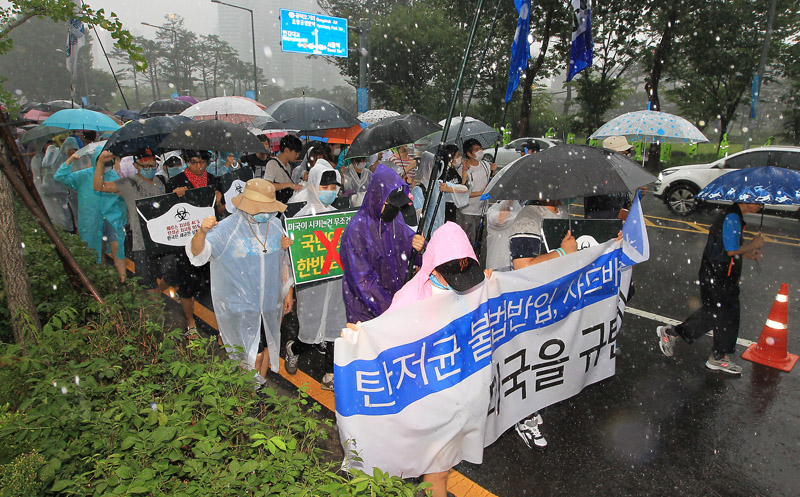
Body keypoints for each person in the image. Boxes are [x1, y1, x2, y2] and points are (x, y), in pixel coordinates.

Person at [383, 221, 489, 497]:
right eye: (450, 275)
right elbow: (383, 338)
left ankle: (430, 489)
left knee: (442, 464)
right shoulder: (411, 297)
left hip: (456, 392)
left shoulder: (475, 288)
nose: (459, 283)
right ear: (433, 266)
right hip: (427, 396)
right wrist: (361, 337)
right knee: (438, 469)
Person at [187, 179, 293, 384]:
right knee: (250, 355)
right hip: (240, 305)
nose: (266, 213)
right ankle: (248, 393)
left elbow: (283, 261)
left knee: (264, 349)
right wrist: (201, 232)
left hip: (269, 303)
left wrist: (287, 291)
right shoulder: (228, 229)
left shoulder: (275, 224)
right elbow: (198, 254)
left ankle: (258, 388)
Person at [656, 202, 764, 375]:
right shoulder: (731, 217)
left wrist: (750, 254)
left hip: (721, 274)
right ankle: (714, 355)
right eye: (757, 201)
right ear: (745, 201)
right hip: (717, 275)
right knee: (720, 315)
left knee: (720, 314)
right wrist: (754, 244)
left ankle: (710, 352)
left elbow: (727, 248)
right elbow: (730, 250)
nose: (760, 204)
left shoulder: (734, 216)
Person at [508, 198, 578, 450]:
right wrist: (562, 253)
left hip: (554, 300)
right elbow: (521, 265)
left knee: (547, 357)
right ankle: (523, 416)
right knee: (529, 362)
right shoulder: (529, 217)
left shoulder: (562, 212)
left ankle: (530, 404)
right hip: (531, 305)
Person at [284, 163, 347, 390]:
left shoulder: (339, 217)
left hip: (337, 283)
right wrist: (288, 289)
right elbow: (291, 264)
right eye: (325, 186)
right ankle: (294, 349)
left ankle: (329, 375)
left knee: (335, 330)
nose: (330, 191)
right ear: (313, 187)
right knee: (309, 334)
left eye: (333, 187)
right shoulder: (300, 219)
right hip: (312, 288)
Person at [340, 163, 425, 324]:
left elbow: (408, 241)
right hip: (366, 309)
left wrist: (421, 246)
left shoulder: (394, 219)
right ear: (376, 197)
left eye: (397, 205)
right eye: (390, 204)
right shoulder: (356, 231)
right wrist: (390, 310)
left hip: (395, 300)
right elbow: (363, 281)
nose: (394, 209)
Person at [166, 149, 225, 338]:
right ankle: (191, 323)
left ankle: (222, 328)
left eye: (202, 163)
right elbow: (168, 216)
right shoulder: (175, 183)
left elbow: (223, 210)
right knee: (187, 285)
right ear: (186, 162)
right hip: (186, 243)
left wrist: (220, 201)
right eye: (193, 163)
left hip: (213, 239)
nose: (199, 167)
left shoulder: (215, 180)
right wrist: (174, 198)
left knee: (216, 285)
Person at [92, 147, 168, 291]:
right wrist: (101, 163)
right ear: (135, 166)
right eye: (145, 166)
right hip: (141, 242)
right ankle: (154, 306)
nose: (150, 169)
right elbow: (98, 186)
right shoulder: (128, 184)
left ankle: (157, 296)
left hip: (163, 238)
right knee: (146, 281)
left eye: (153, 166)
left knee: (171, 274)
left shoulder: (161, 181)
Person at [54, 147, 127, 282]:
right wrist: (70, 161)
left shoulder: (114, 176)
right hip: (91, 220)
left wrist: (122, 219)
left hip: (112, 219)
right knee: (96, 250)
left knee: (117, 248)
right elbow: (59, 176)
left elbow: (121, 200)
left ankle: (123, 281)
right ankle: (102, 280)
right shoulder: (84, 175)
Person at [584, 136, 637, 219]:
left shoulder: (620, 177)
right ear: (609, 155)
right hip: (598, 228)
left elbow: (626, 206)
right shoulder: (596, 176)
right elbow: (592, 212)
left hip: (617, 229)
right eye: (623, 154)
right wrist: (617, 214)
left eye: (627, 154)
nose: (626, 158)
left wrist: (638, 196)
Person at [457, 138, 495, 247]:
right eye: (476, 149)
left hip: (482, 210)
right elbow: (463, 192)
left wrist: (493, 172)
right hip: (467, 211)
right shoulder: (463, 169)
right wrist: (482, 193)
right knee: (468, 240)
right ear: (469, 153)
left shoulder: (486, 166)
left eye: (481, 149)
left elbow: (490, 182)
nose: (480, 151)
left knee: (480, 240)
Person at [40, 137, 80, 232]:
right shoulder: (58, 158)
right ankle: (66, 231)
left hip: (70, 192)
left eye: (74, 149)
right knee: (61, 214)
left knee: (72, 213)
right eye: (70, 149)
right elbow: (56, 173)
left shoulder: (76, 159)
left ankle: (71, 230)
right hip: (58, 191)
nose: (72, 151)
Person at [263, 134, 303, 204]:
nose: (297, 155)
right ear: (287, 150)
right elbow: (267, 186)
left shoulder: (288, 166)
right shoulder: (272, 164)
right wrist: (289, 185)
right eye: (296, 152)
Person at [485, 200, 523, 271]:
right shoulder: (493, 211)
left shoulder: (518, 209)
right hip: (498, 262)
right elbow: (500, 220)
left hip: (515, 261)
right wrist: (508, 201)